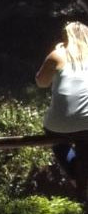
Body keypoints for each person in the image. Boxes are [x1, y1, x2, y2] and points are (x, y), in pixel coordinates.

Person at [35, 20, 88, 184]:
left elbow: (41, 83)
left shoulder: (57, 55)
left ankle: (75, 176)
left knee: (60, 145)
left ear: (66, 38)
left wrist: (56, 52)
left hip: (59, 126)